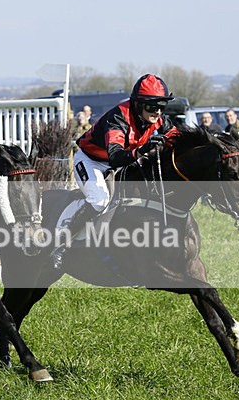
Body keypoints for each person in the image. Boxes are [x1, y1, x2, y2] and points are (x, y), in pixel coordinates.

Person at [52, 74, 174, 269]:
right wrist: (143, 150)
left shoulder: (156, 118)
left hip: (118, 163)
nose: (157, 112)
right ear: (137, 104)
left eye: (161, 106)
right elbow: (116, 156)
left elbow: (177, 136)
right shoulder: (118, 118)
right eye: (152, 106)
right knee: (99, 201)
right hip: (91, 161)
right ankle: (62, 244)